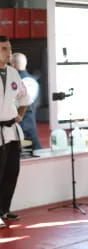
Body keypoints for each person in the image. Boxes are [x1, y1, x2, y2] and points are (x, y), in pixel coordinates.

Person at [0, 36, 30, 228]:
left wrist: (19, 114)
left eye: (9, 48)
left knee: (12, 172)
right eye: (3, 48)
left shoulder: (12, 72)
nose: (8, 52)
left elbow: (24, 97)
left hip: (11, 131)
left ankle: (4, 209)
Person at [10, 52, 41, 150]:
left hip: (17, 130)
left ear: (13, 65)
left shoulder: (12, 84)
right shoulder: (33, 81)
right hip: (31, 128)